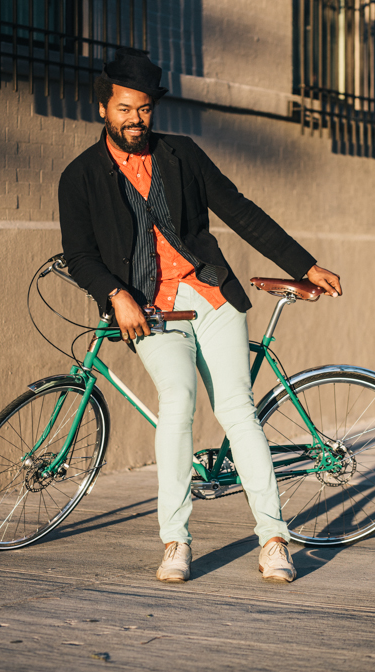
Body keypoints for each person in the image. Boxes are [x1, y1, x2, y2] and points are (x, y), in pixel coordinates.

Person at [58, 48, 342, 585]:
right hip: (149, 308)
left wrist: (306, 264)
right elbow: (80, 255)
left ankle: (274, 539)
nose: (135, 120)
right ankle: (175, 542)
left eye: (143, 109)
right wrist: (114, 296)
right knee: (179, 403)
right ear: (102, 108)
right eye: (124, 109)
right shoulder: (80, 177)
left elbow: (240, 211)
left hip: (210, 298)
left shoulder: (182, 155)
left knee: (238, 409)